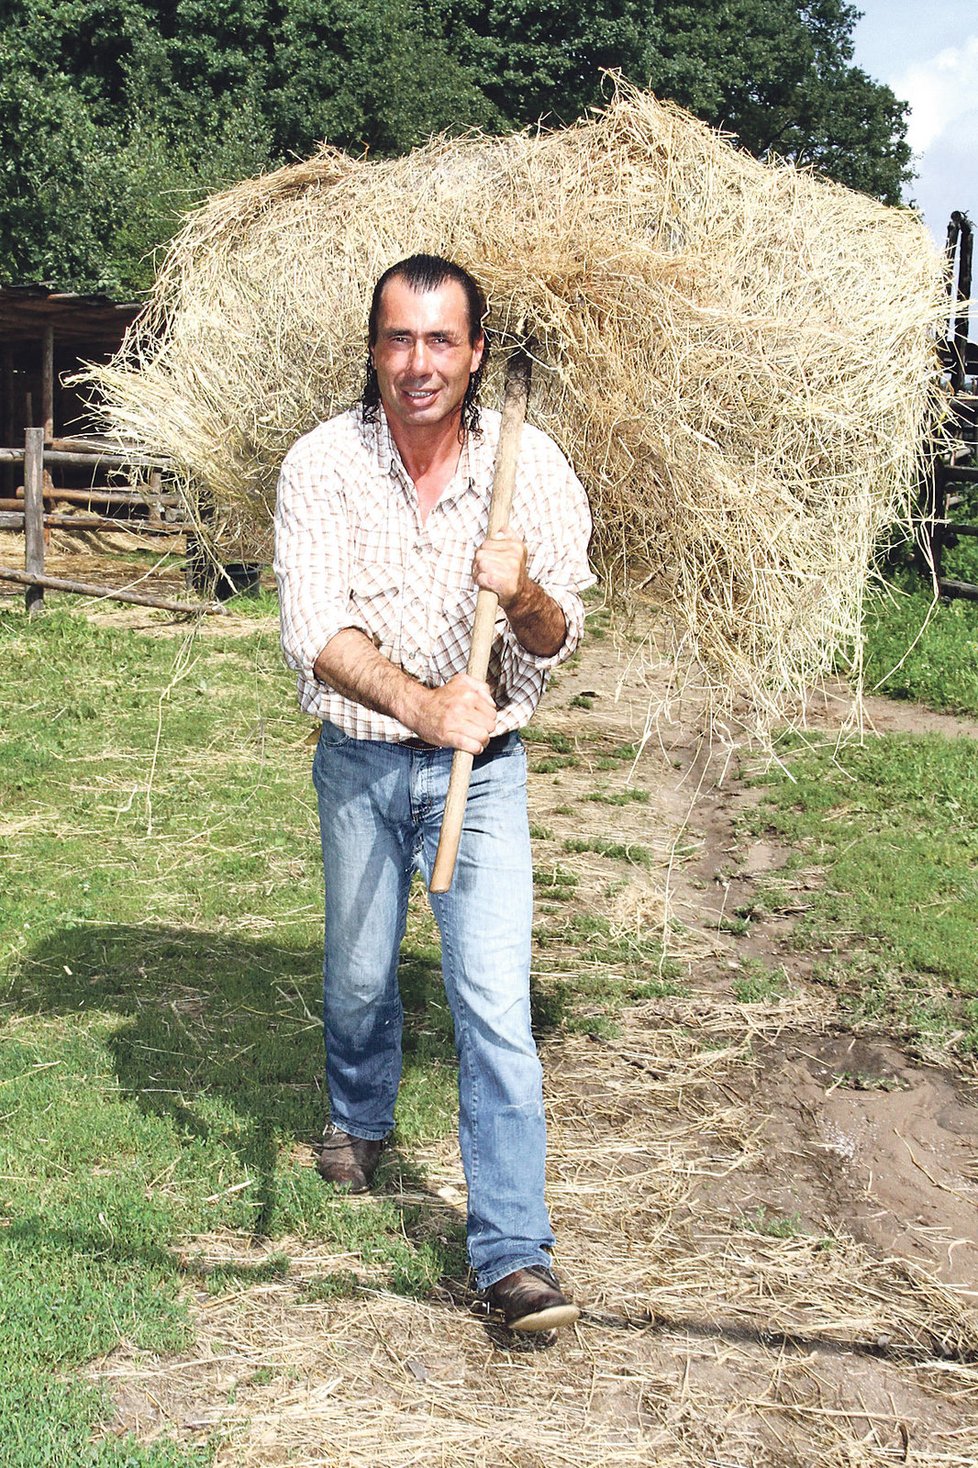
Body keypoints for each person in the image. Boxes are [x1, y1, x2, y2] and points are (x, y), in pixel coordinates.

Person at [273, 253, 593, 1333]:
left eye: (440, 341)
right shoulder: (321, 463)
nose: (419, 363)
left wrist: (526, 589)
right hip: (360, 761)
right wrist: (423, 709)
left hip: (484, 777)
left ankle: (512, 1254)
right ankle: (359, 1116)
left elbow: (560, 637)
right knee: (359, 977)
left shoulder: (527, 464)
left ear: (475, 353)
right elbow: (316, 634)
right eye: (398, 339)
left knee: (494, 1005)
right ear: (373, 349)